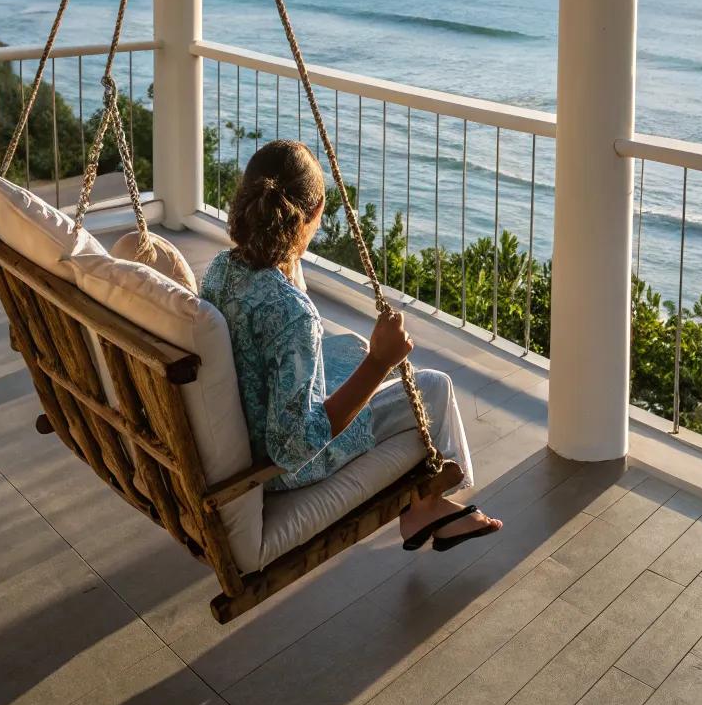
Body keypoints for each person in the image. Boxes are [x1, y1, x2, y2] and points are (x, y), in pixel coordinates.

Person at [201, 139, 502, 551]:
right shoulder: (292, 313)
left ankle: (427, 503)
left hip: (248, 422)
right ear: (312, 216)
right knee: (433, 386)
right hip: (281, 467)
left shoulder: (222, 269)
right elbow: (294, 447)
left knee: (351, 346)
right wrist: (380, 364)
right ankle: (431, 503)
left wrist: (370, 357)